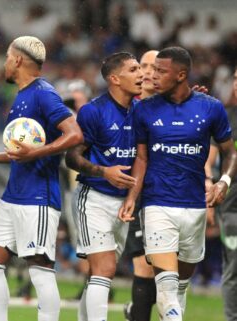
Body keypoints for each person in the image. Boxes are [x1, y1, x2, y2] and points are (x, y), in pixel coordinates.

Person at [0, 36, 83, 321]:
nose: (5, 64)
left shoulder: (43, 93)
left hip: (38, 197)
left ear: (19, 60)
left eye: (8, 58)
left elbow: (74, 134)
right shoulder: (21, 95)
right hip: (13, 195)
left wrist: (38, 152)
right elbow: (21, 151)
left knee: (39, 267)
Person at [119, 46, 237, 321]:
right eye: (151, 69)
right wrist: (132, 197)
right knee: (167, 284)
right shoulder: (144, 110)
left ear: (181, 74)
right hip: (157, 204)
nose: (152, 76)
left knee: (180, 285)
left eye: (161, 71)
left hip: (195, 206)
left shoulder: (210, 108)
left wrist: (224, 181)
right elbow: (142, 159)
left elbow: (229, 151)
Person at [65, 51, 142, 321]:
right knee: (105, 269)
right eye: (133, 69)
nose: (141, 73)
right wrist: (103, 172)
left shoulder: (141, 110)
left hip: (124, 202)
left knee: (100, 274)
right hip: (94, 198)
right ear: (115, 78)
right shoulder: (93, 111)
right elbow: (72, 156)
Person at [122, 49, 160, 321]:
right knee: (143, 269)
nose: (147, 71)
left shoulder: (179, 106)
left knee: (169, 274)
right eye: (142, 65)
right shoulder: (125, 108)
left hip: (172, 198)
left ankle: (136, 311)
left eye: (153, 66)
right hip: (139, 196)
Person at [205, 67, 237, 321]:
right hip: (232, 206)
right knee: (234, 267)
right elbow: (209, 159)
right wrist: (209, 187)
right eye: (236, 78)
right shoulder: (226, 117)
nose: (236, 83)